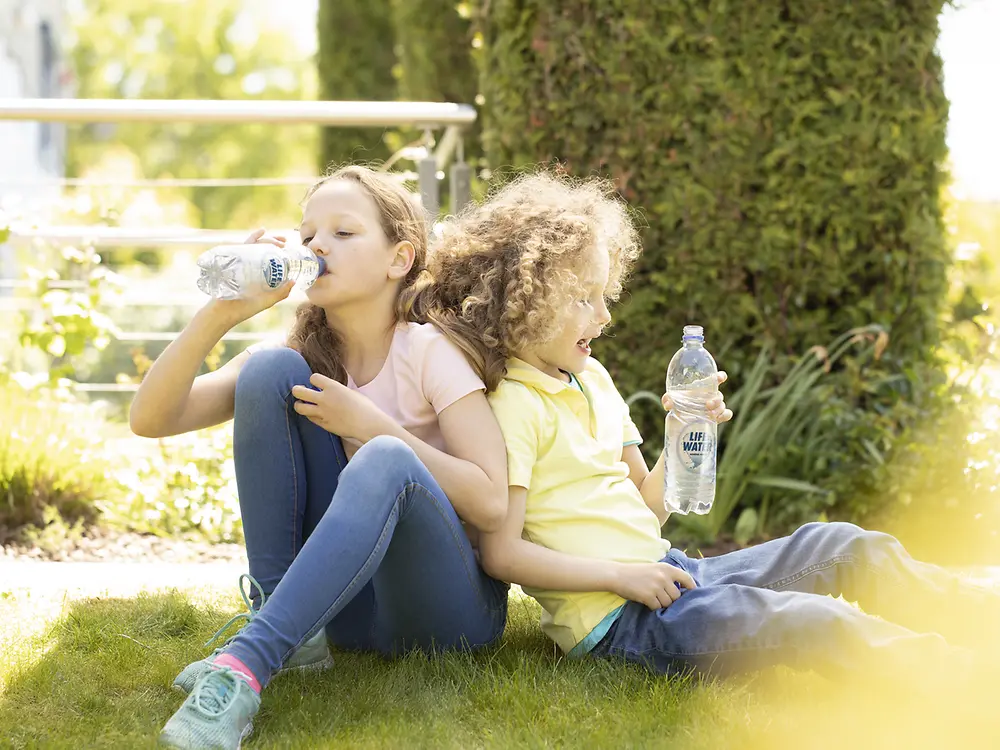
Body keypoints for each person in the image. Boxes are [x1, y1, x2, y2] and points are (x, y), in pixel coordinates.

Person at [419, 170, 1000, 684]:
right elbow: (503, 555)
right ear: (525, 300)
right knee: (804, 620)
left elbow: (648, 509)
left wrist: (685, 437)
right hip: (621, 624)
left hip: (670, 575)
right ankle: (962, 681)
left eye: (605, 295)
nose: (605, 314)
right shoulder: (514, 406)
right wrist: (621, 577)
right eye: (584, 299)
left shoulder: (592, 377)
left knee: (839, 544)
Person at [130, 166, 510, 749]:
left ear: (399, 259)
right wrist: (222, 312)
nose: (316, 246)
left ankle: (247, 664)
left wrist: (374, 427)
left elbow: (490, 500)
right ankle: (286, 629)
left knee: (384, 457)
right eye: (308, 235)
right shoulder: (305, 356)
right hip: (350, 618)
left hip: (446, 617)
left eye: (343, 233)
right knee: (267, 371)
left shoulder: (428, 351)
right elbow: (151, 419)